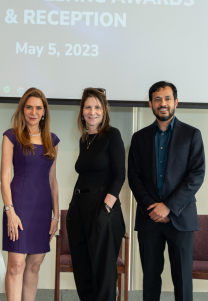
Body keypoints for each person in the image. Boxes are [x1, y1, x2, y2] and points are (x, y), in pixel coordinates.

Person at [128, 81, 205, 301]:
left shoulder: (192, 135)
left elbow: (196, 175)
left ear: (176, 102)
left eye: (168, 99)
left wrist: (168, 207)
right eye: (158, 99)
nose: (163, 104)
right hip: (148, 217)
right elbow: (134, 177)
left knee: (182, 279)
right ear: (150, 104)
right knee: (150, 278)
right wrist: (152, 208)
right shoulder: (139, 138)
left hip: (180, 217)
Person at [0, 88, 60, 301]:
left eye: (38, 108)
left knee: (34, 266)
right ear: (22, 110)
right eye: (29, 107)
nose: (33, 112)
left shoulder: (52, 140)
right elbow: (5, 177)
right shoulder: (11, 136)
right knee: (16, 265)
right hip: (18, 206)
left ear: (44, 112)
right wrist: (10, 211)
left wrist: (56, 216)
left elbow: (53, 181)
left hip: (42, 209)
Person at [67, 88, 126, 301]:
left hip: (103, 211)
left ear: (105, 110)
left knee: (103, 276)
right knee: (83, 272)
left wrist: (106, 209)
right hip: (79, 211)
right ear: (82, 111)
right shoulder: (85, 139)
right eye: (88, 107)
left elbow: (119, 175)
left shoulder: (112, 135)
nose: (93, 112)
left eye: (97, 107)